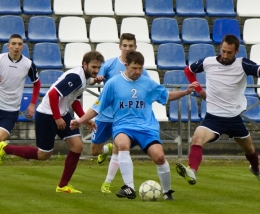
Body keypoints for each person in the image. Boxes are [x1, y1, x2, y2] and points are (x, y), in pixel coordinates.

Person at [71, 51, 199, 200]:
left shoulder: (147, 83)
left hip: (146, 127)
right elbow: (96, 107)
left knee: (159, 157)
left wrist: (185, 92)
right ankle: (129, 187)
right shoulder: (113, 84)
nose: (138, 72)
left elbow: (165, 95)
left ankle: (167, 192)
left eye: (140, 68)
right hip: (123, 126)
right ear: (126, 65)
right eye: (134, 68)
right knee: (123, 145)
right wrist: (80, 121)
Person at [0, 51, 105, 193]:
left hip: (61, 114)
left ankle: (62, 186)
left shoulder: (85, 78)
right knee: (44, 155)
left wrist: (84, 119)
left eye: (98, 67)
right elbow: (53, 94)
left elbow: (74, 100)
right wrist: (57, 117)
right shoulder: (76, 77)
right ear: (85, 64)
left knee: (78, 146)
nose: (96, 70)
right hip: (47, 114)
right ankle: (5, 149)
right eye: (94, 67)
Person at [176, 34, 260, 185]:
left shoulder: (243, 64)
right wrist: (200, 90)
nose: (225, 55)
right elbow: (188, 71)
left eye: (229, 52)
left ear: (237, 51)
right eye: (223, 51)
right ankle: (192, 171)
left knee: (250, 150)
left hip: (234, 118)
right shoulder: (208, 62)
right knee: (197, 138)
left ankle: (255, 169)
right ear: (220, 48)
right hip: (213, 118)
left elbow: (258, 70)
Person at [90, 33, 151, 194]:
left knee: (122, 148)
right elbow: (93, 76)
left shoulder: (140, 70)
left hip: (124, 117)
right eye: (125, 45)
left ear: (135, 47)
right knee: (94, 151)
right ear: (120, 46)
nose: (127, 48)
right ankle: (106, 149)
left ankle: (107, 184)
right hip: (105, 115)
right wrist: (96, 79)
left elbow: (149, 87)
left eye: (131, 46)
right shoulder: (109, 64)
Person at [0, 34, 40, 153]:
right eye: (13, 44)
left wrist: (32, 104)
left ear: (23, 47)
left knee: (1, 138)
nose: (16, 46)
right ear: (8, 46)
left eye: (19, 44)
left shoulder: (28, 64)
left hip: (11, 111)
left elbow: (37, 84)